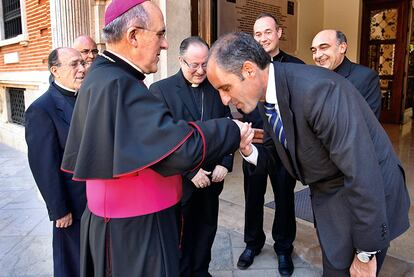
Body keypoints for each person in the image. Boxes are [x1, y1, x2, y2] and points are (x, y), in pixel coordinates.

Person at [60, 1, 252, 277]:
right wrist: (233, 129)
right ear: (134, 35)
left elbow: (154, 135)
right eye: (160, 34)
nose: (164, 44)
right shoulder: (118, 83)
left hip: (131, 222)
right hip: (135, 229)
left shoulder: (111, 76)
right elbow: (178, 149)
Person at [206, 32, 410, 277]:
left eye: (226, 87)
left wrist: (366, 252)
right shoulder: (265, 97)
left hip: (365, 197)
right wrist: (248, 150)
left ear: (249, 70)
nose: (224, 99)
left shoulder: (319, 92)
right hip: (331, 196)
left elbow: (362, 172)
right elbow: (276, 155)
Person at [150, 36, 233, 277]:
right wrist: (189, 171)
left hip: (212, 180)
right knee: (181, 236)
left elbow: (227, 125)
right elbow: (162, 140)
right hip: (180, 182)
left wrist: (225, 162)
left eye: (205, 64)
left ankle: (201, 271)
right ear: (180, 61)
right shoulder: (161, 90)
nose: (200, 71)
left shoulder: (217, 88)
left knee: (207, 230)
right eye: (194, 65)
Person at [236, 13, 304, 276]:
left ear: (279, 32)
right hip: (254, 146)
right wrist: (245, 130)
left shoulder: (295, 67)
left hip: (284, 150)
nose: (263, 38)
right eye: (257, 34)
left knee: (284, 199)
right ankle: (252, 244)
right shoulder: (246, 67)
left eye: (267, 32)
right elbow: (239, 102)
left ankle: (284, 248)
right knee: (252, 197)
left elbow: (300, 110)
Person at [25, 47, 87, 277]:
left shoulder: (87, 98)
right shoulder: (41, 109)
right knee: (70, 266)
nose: (82, 69)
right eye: (74, 64)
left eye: (82, 63)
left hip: (96, 204)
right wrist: (59, 209)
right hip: (70, 207)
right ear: (55, 70)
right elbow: (44, 166)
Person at [311, 29, 381, 119]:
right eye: (314, 51)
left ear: (342, 48)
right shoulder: (312, 77)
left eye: (323, 47)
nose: (317, 55)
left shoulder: (365, 77)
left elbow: (369, 121)